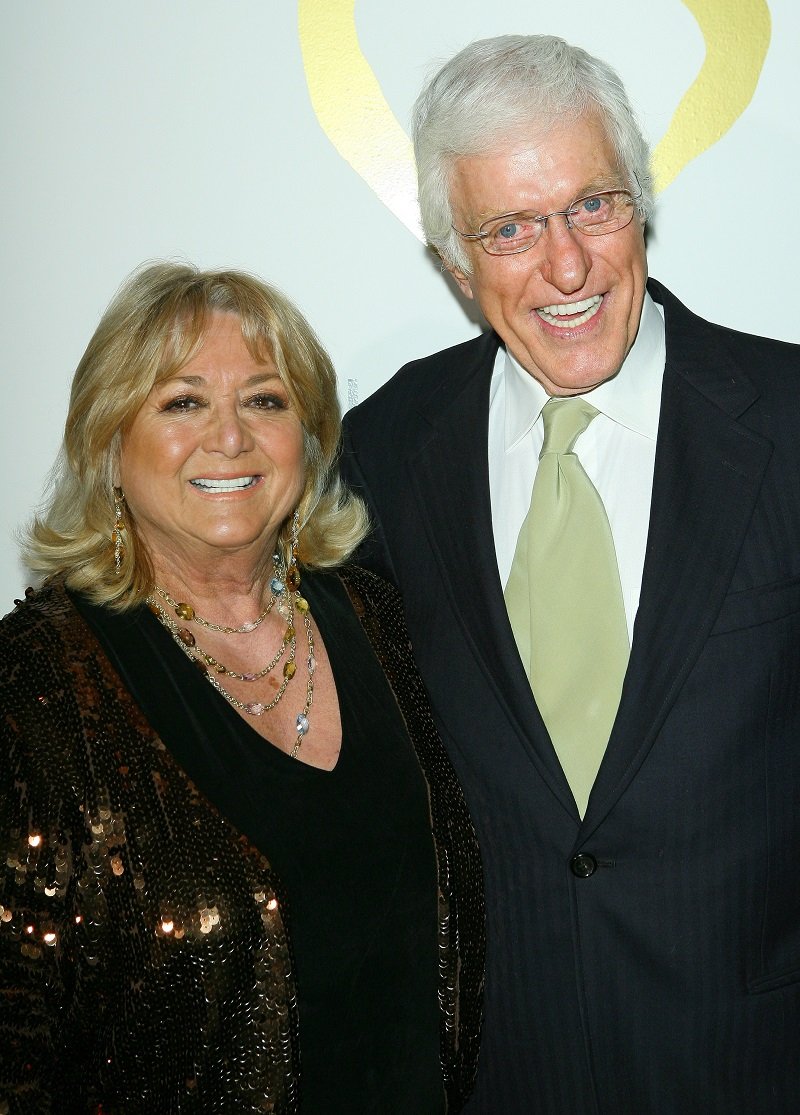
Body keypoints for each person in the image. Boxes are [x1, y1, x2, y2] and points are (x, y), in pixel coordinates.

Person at [341, 34, 800, 1115]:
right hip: (500, 1073)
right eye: (509, 228)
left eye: (592, 206)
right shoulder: (383, 448)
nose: (565, 266)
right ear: (454, 261)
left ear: (640, 206)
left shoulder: (785, 423)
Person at [0, 262, 484, 1114]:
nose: (229, 437)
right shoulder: (35, 687)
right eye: (182, 402)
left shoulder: (379, 619)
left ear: (311, 437)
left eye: (265, 400)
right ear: (108, 444)